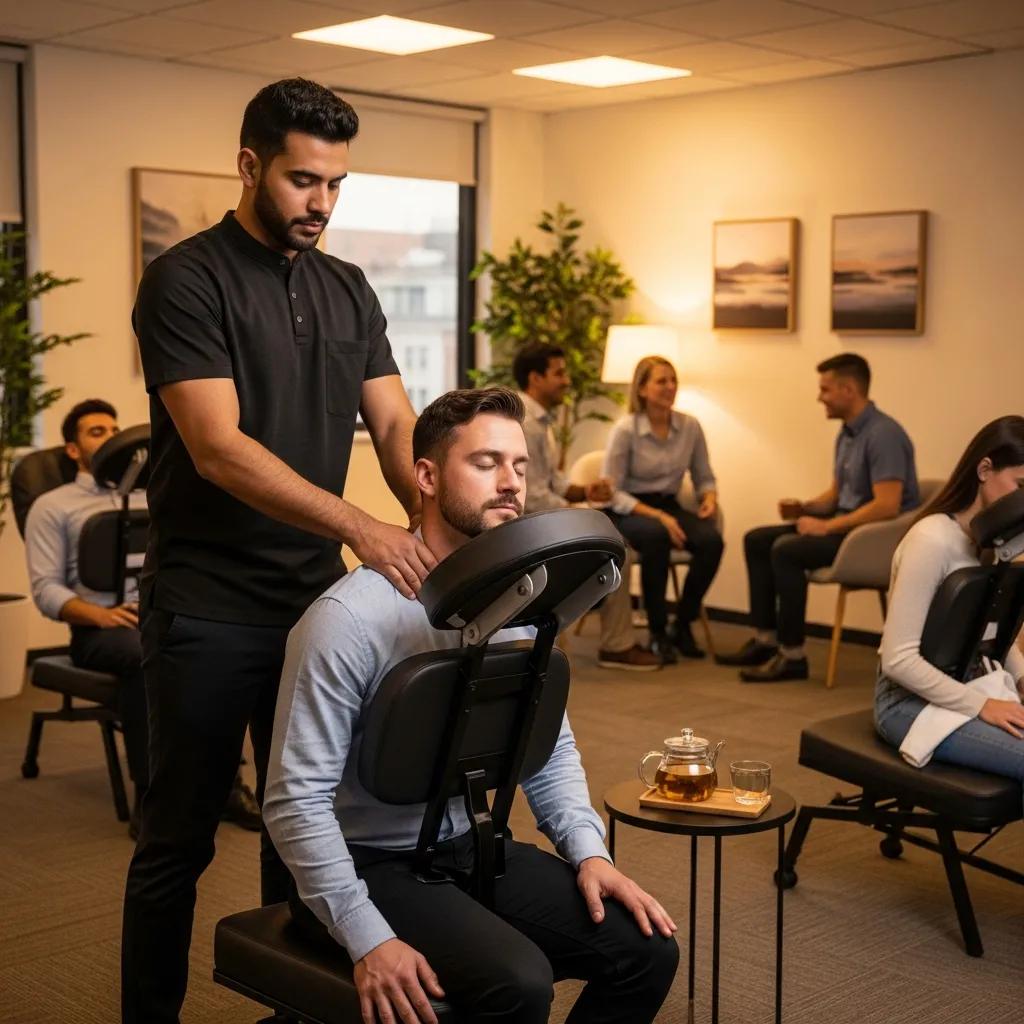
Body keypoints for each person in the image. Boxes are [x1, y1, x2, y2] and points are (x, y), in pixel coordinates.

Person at [124, 79, 435, 1024]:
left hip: (315, 609)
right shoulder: (187, 279)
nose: (322, 204)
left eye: (337, 184)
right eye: (304, 181)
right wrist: (361, 528)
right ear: (251, 165)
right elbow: (217, 448)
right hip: (208, 608)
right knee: (177, 843)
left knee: (303, 830)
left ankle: (288, 1011)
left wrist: (436, 510)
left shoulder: (347, 285)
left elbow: (391, 421)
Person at [264, 387, 679, 1024]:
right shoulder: (347, 619)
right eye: (485, 464)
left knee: (646, 948)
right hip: (369, 863)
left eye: (518, 465)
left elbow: (549, 748)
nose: (510, 482)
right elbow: (295, 801)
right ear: (426, 477)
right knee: (518, 983)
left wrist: (589, 853)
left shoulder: (516, 602)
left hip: (468, 844)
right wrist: (366, 935)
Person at [24, 400, 262, 839]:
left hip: (164, 608)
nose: (111, 437)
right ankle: (152, 798)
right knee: (142, 655)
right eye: (97, 431)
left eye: (114, 428)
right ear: (72, 449)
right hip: (101, 630)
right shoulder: (53, 507)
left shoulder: (155, 494)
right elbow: (46, 588)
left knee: (225, 650)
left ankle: (228, 786)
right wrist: (101, 614)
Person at [718, 353, 920, 682]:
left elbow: (887, 506)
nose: (819, 397)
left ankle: (793, 656)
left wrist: (825, 526)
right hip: (847, 526)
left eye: (825, 390)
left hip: (872, 538)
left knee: (786, 549)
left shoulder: (884, 435)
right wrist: (805, 508)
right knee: (757, 539)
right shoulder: (848, 433)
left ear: (849, 390)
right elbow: (837, 495)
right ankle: (767, 640)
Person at [875, 416, 1024, 794]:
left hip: (970, 684)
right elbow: (897, 660)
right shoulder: (932, 540)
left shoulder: (993, 543)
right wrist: (981, 706)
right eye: (1020, 486)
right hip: (906, 703)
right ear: (985, 469)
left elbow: (994, 635)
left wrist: (1022, 679)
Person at [513, 343, 660, 671]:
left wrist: (585, 491)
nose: (567, 381)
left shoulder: (540, 420)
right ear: (535, 378)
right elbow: (532, 498)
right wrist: (575, 508)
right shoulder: (526, 423)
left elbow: (554, 480)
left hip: (543, 516)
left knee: (619, 545)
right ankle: (617, 645)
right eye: (559, 373)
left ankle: (611, 639)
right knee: (617, 549)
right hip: (530, 526)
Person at [602, 356, 724, 664]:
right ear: (642, 389)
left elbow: (703, 475)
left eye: (673, 380)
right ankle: (656, 632)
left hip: (668, 504)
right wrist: (657, 515)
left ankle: (681, 624)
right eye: (661, 381)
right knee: (656, 536)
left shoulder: (690, 426)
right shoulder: (626, 429)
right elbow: (611, 491)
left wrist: (708, 497)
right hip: (629, 509)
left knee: (712, 542)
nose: (670, 387)